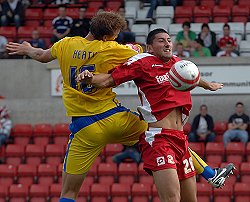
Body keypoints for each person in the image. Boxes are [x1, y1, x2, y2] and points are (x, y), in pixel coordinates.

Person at [7, 12, 235, 201]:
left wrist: (27, 50)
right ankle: (209, 173)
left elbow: (43, 55)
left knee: (68, 192)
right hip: (113, 118)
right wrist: (134, 49)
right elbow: (142, 56)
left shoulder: (66, 44)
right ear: (107, 36)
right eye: (115, 36)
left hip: (84, 128)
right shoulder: (114, 49)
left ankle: (210, 173)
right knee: (160, 133)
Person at [76, 28, 236, 201]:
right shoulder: (142, 62)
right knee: (172, 198)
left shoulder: (177, 63)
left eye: (168, 40)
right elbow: (109, 79)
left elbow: (192, 77)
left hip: (180, 139)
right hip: (159, 139)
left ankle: (211, 175)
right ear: (150, 47)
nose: (167, 43)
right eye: (161, 40)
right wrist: (90, 78)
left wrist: (207, 85)